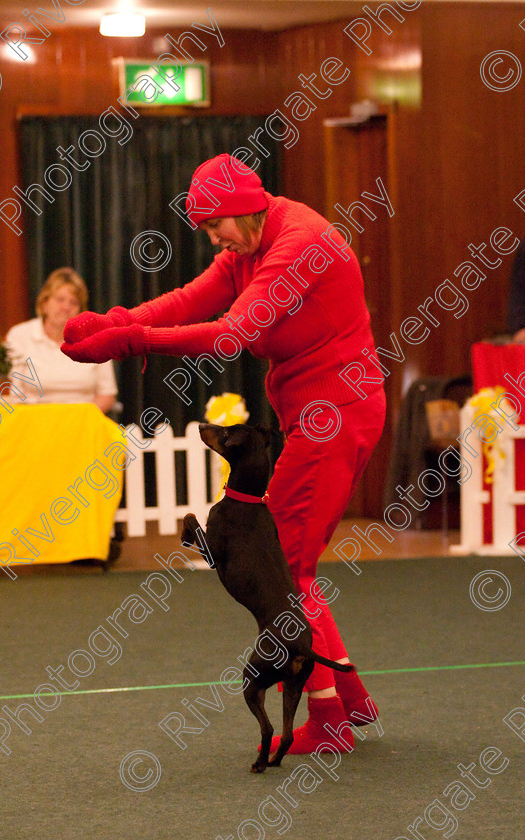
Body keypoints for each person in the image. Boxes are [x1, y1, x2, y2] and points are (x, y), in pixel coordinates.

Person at [61, 153, 386, 754]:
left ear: (245, 207)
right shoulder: (251, 245)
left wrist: (133, 342)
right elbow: (190, 298)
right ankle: (349, 701)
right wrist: (117, 319)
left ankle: (331, 721)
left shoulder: (300, 242)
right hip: (320, 412)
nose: (216, 240)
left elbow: (233, 331)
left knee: (284, 570)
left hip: (334, 412)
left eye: (216, 227)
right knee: (294, 567)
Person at [6, 267, 117, 413]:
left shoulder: (98, 338)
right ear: (44, 304)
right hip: (36, 421)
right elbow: (14, 392)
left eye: (74, 303)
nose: (66, 307)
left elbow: (107, 394)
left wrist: (79, 419)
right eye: (60, 300)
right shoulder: (19, 335)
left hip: (83, 423)